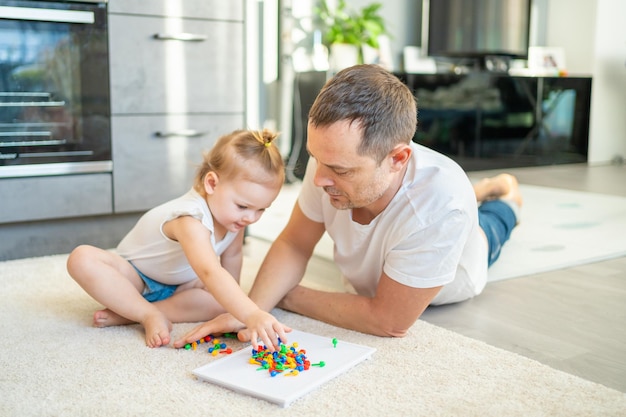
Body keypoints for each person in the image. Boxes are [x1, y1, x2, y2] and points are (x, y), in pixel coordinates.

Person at [173, 64, 521, 347]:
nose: (319, 178)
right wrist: (251, 309)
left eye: (340, 170)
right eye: (316, 159)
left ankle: (504, 192)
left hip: (466, 254)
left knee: (497, 217)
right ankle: (487, 191)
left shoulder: (443, 205)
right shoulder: (327, 161)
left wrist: (285, 296)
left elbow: (387, 321)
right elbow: (295, 243)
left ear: (397, 159)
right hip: (411, 223)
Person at [67, 129, 291, 349]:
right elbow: (210, 272)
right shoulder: (190, 218)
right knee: (82, 258)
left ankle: (127, 314)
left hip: (180, 284)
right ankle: (146, 313)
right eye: (243, 206)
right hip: (135, 278)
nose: (251, 217)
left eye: (261, 209)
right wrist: (252, 313)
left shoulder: (235, 220)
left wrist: (236, 307)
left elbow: (232, 257)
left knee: (221, 303)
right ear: (212, 183)